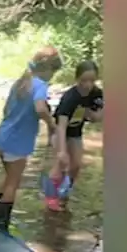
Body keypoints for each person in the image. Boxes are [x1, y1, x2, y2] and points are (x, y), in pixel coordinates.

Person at [0, 47, 62, 239]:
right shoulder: (40, 85)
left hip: (3, 136)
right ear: (47, 70)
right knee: (13, 183)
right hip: (18, 141)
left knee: (5, 179)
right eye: (52, 72)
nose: (51, 77)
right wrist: (51, 124)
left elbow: (5, 109)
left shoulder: (21, 82)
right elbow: (40, 108)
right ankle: (0, 228)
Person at [46, 60, 103, 210]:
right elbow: (61, 126)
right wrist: (62, 151)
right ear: (77, 79)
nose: (87, 85)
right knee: (60, 164)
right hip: (60, 132)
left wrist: (90, 113)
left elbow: (98, 117)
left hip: (76, 132)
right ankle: (51, 199)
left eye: (92, 80)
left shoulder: (96, 94)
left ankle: (64, 193)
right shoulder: (70, 98)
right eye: (84, 80)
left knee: (76, 165)